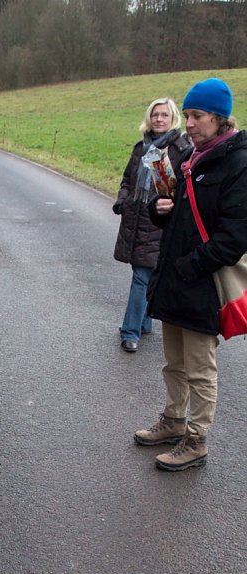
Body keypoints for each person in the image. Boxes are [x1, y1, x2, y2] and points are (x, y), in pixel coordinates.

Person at [134, 78, 247, 471]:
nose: (190, 123)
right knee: (174, 363)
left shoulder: (238, 163)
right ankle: (173, 420)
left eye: (197, 116)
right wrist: (157, 211)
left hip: (202, 285)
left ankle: (196, 440)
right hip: (176, 282)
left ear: (219, 118)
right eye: (189, 115)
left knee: (200, 370)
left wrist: (188, 268)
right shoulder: (192, 159)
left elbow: (233, 239)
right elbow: (179, 216)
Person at [113, 98, 191, 353]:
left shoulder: (180, 148)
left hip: (159, 221)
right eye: (155, 114)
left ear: (173, 118)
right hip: (135, 220)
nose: (159, 119)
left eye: (164, 115)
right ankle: (143, 322)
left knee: (142, 276)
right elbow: (127, 179)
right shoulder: (141, 148)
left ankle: (130, 331)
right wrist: (122, 201)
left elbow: (175, 190)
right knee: (144, 274)